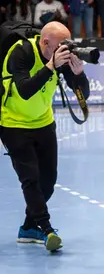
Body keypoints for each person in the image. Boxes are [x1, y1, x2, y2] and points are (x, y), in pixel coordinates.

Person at [1, 22, 90, 252]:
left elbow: (83, 95)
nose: (65, 49)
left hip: (43, 122)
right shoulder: (21, 52)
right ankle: (46, 229)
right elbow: (25, 90)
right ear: (45, 42)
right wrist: (50, 66)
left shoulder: (59, 56)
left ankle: (29, 228)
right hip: (13, 123)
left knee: (48, 182)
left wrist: (79, 74)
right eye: (60, 45)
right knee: (30, 178)